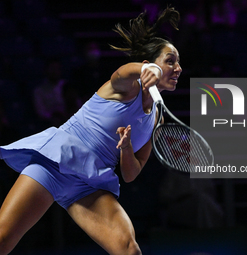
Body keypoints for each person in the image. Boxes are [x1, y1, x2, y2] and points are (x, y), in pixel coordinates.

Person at [0, 6, 181, 255]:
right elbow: (122, 72)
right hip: (55, 163)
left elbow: (131, 173)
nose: (178, 68)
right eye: (170, 61)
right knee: (2, 240)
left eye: (178, 63)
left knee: (129, 250)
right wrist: (145, 70)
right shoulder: (125, 87)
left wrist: (126, 148)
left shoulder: (157, 118)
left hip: (91, 184)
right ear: (149, 64)